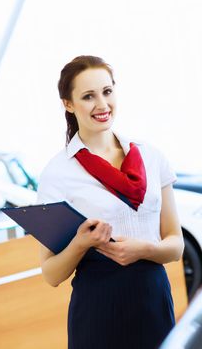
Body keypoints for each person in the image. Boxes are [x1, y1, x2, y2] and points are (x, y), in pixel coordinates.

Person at [36, 55, 184, 349]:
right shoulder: (57, 174)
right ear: (68, 104)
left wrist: (146, 249)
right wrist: (81, 243)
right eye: (88, 96)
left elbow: (176, 245)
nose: (102, 105)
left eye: (107, 91)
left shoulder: (152, 157)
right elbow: (51, 273)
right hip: (97, 306)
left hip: (152, 299)